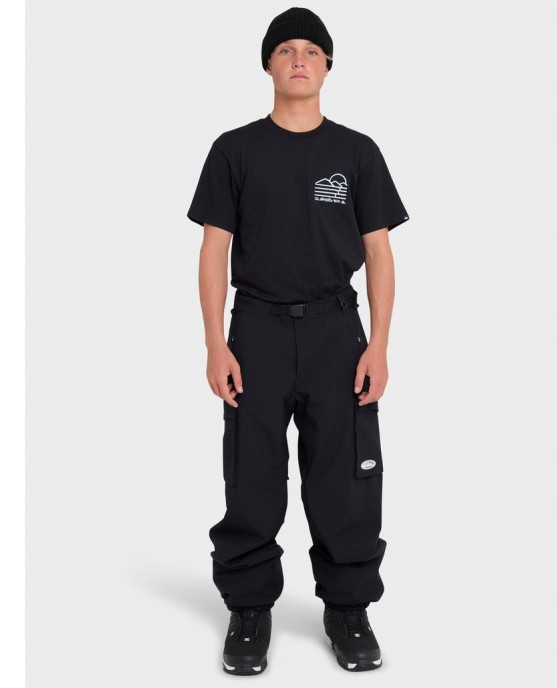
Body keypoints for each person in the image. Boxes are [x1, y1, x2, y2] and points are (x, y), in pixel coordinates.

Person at [187, 7, 410, 675]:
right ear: (268, 65)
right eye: (285, 49)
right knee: (252, 474)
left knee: (345, 478)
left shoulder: (356, 152)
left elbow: (379, 253)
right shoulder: (235, 150)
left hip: (337, 332)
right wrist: (215, 343)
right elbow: (213, 250)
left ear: (328, 66)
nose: (299, 59)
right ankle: (249, 608)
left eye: (311, 50)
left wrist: (379, 345)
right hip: (254, 329)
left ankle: (348, 607)